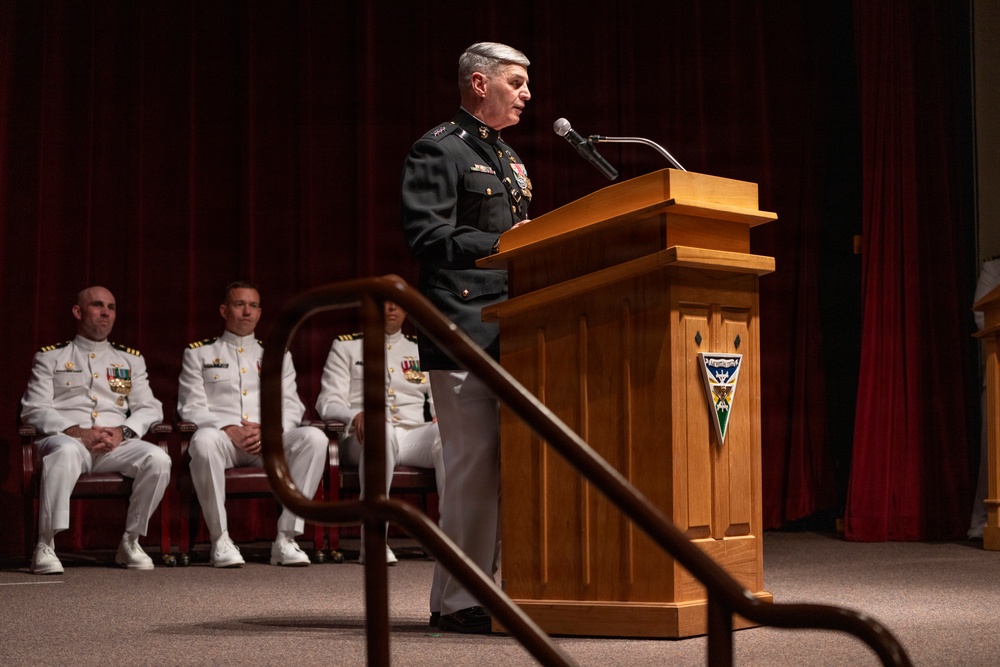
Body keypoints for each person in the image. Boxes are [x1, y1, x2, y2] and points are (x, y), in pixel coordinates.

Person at [400, 41, 532, 634]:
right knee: (472, 466)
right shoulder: (440, 148)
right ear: (480, 85)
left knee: (505, 467)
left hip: (518, 326)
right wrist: (512, 244)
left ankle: (490, 587)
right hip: (463, 326)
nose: (527, 93)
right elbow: (428, 236)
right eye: (517, 82)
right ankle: (456, 601)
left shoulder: (508, 157)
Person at [21, 286, 170, 574]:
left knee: (158, 459)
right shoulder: (51, 357)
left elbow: (150, 407)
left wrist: (124, 432)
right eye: (98, 306)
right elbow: (33, 408)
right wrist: (76, 431)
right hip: (66, 440)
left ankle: (130, 541)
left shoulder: (129, 359)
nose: (105, 313)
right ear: (78, 312)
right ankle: (45, 543)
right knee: (64, 451)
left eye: (111, 307)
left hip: (113, 444)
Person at [177, 281, 327, 568]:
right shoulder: (199, 354)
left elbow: (291, 405)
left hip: (268, 443)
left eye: (253, 306)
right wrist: (227, 427)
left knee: (314, 438)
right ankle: (219, 539)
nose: (247, 311)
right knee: (203, 440)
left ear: (259, 313)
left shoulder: (278, 354)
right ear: (224, 310)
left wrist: (271, 430)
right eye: (239, 304)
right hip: (225, 442)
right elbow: (191, 406)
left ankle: (286, 538)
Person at [316, 300, 445, 576]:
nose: (391, 309)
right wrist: (355, 414)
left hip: (410, 433)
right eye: (383, 303)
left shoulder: (417, 348)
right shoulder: (347, 346)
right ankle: (373, 542)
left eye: (397, 303)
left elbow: (439, 397)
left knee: (447, 435)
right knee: (381, 431)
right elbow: (327, 401)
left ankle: (446, 540)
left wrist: (442, 415)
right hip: (361, 437)